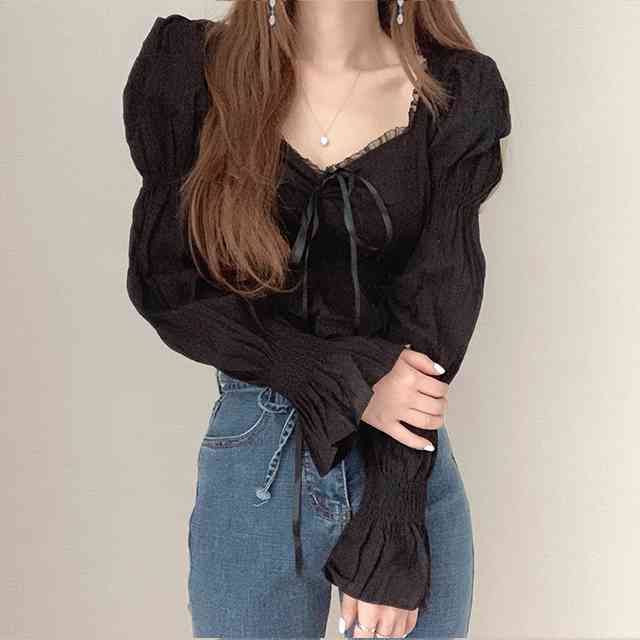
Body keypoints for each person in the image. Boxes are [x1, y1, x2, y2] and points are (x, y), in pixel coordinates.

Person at [122, 1, 511, 637]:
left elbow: (437, 313)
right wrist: (343, 377)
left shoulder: (456, 91)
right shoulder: (194, 72)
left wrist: (393, 519)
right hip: (258, 461)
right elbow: (167, 286)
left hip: (402, 464)